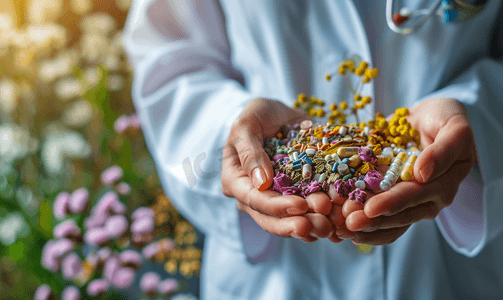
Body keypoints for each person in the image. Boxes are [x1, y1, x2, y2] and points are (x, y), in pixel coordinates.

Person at [123, 0, 503, 299]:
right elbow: (168, 57)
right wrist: (231, 130)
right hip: (276, 278)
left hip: (443, 270)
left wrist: (475, 119)